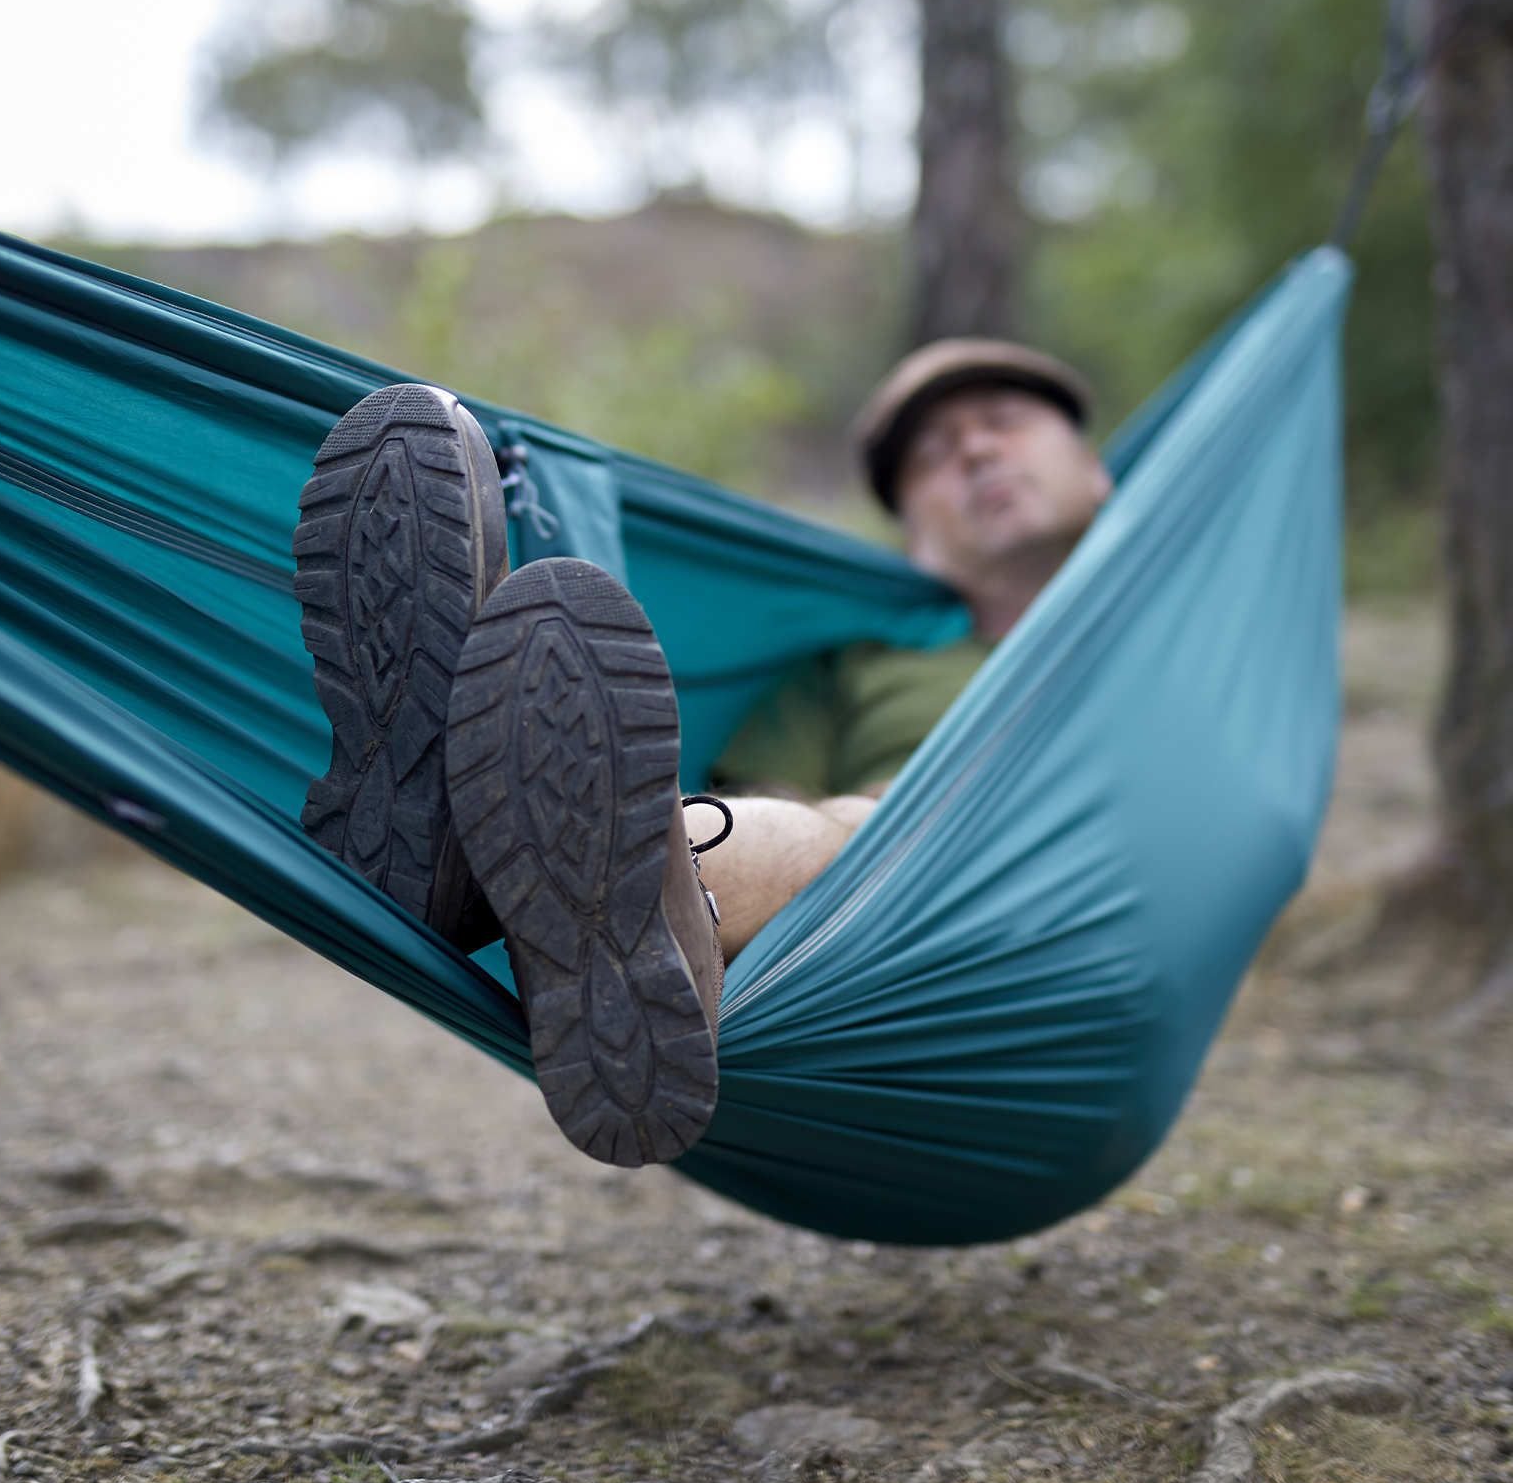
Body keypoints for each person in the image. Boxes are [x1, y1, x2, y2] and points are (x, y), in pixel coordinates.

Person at [292, 341, 1110, 1171]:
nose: (974, 450)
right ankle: (621, 889)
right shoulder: (858, 664)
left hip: (1079, 891)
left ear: (1097, 471)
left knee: (864, 826)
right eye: (934, 455)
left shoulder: (1174, 638)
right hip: (891, 899)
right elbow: (774, 795)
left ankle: (472, 864)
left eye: (1004, 423)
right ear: (913, 533)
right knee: (844, 833)